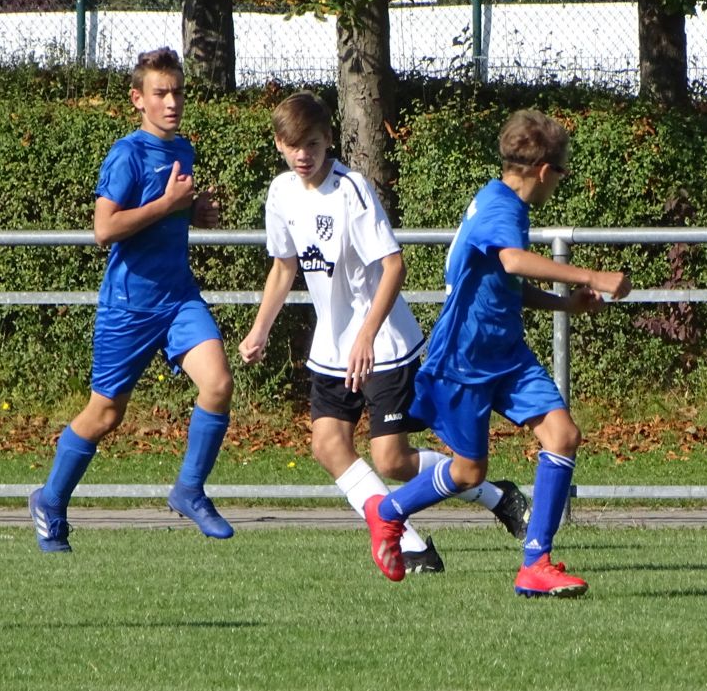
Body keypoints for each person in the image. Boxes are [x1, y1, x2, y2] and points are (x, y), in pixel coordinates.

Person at [238, 91, 531, 573]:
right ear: (278, 144)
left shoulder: (350, 190)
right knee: (328, 446)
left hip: (384, 345)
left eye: (312, 144)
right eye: (293, 145)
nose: (303, 155)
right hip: (333, 348)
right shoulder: (281, 192)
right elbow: (284, 266)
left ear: (328, 140)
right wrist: (260, 330)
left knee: (392, 460)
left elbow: (394, 266)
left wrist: (366, 336)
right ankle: (412, 547)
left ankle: (496, 496)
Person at [362, 109, 632, 595]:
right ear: (545, 171)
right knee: (469, 472)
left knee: (562, 435)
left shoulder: (505, 205)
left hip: (506, 353)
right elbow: (512, 261)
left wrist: (564, 304)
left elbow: (503, 282)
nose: (560, 182)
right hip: (464, 358)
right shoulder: (500, 207)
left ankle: (536, 564)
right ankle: (389, 511)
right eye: (562, 172)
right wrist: (592, 276)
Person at [29, 47, 234, 552]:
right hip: (129, 307)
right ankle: (50, 501)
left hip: (178, 299)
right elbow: (105, 229)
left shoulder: (183, 149)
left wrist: (193, 212)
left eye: (178, 92)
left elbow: (169, 212)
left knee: (218, 384)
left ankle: (189, 490)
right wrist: (168, 204)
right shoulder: (127, 154)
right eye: (161, 93)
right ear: (138, 99)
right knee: (105, 413)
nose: (172, 102)